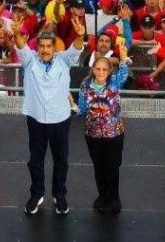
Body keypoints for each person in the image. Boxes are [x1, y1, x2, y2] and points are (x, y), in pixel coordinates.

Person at [12, 20, 85, 215]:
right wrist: (16, 32)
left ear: (54, 47)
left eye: (48, 46)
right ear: (38, 47)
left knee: (61, 159)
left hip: (60, 119)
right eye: (42, 46)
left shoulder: (64, 59)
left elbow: (76, 49)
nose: (45, 50)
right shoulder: (29, 60)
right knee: (35, 159)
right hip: (35, 119)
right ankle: (36, 194)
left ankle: (59, 195)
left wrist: (79, 36)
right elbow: (20, 45)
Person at [77, 39, 129, 214]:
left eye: (104, 69)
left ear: (109, 71)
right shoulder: (85, 86)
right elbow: (82, 109)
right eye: (98, 69)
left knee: (112, 167)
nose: (100, 72)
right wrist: (70, 106)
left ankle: (114, 197)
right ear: (93, 69)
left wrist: (122, 57)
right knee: (98, 167)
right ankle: (102, 195)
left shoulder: (115, 82)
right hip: (92, 135)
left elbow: (124, 71)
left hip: (114, 134)